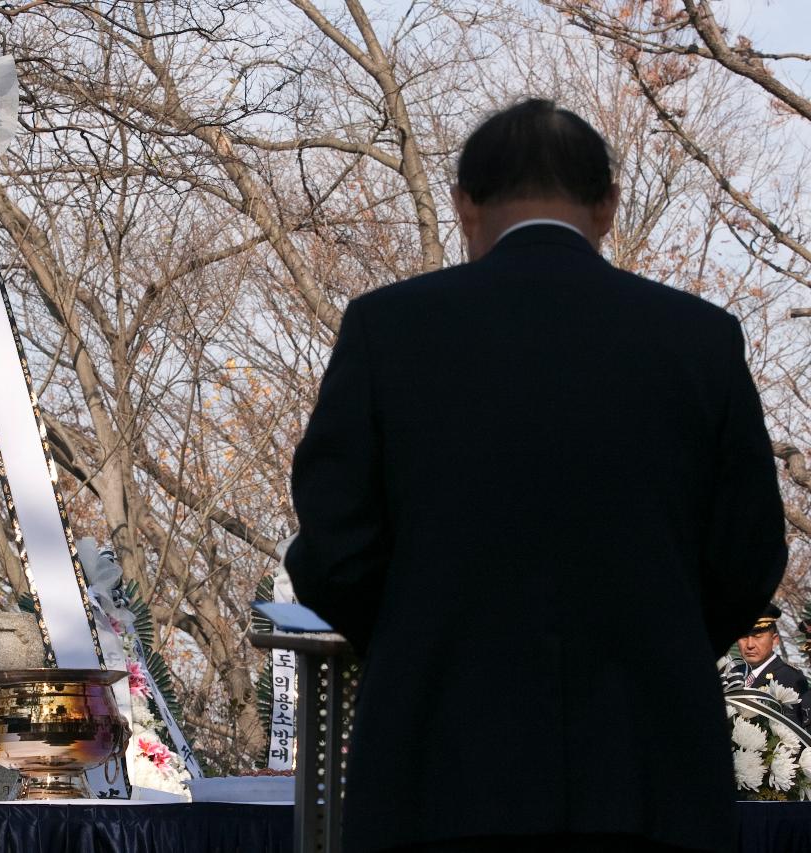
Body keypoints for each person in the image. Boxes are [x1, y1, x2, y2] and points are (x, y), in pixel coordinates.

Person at [285, 99, 787, 853]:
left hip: (438, 769)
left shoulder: (387, 331)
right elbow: (746, 556)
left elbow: (333, 552)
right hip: (650, 771)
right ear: (609, 207)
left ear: (465, 205)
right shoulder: (699, 340)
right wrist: (660, 634)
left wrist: (423, 633)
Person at [730, 605, 811, 724]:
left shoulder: (790, 678)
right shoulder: (730, 674)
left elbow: (793, 734)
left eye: (757, 637)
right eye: (744, 637)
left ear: (775, 639)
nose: (750, 644)